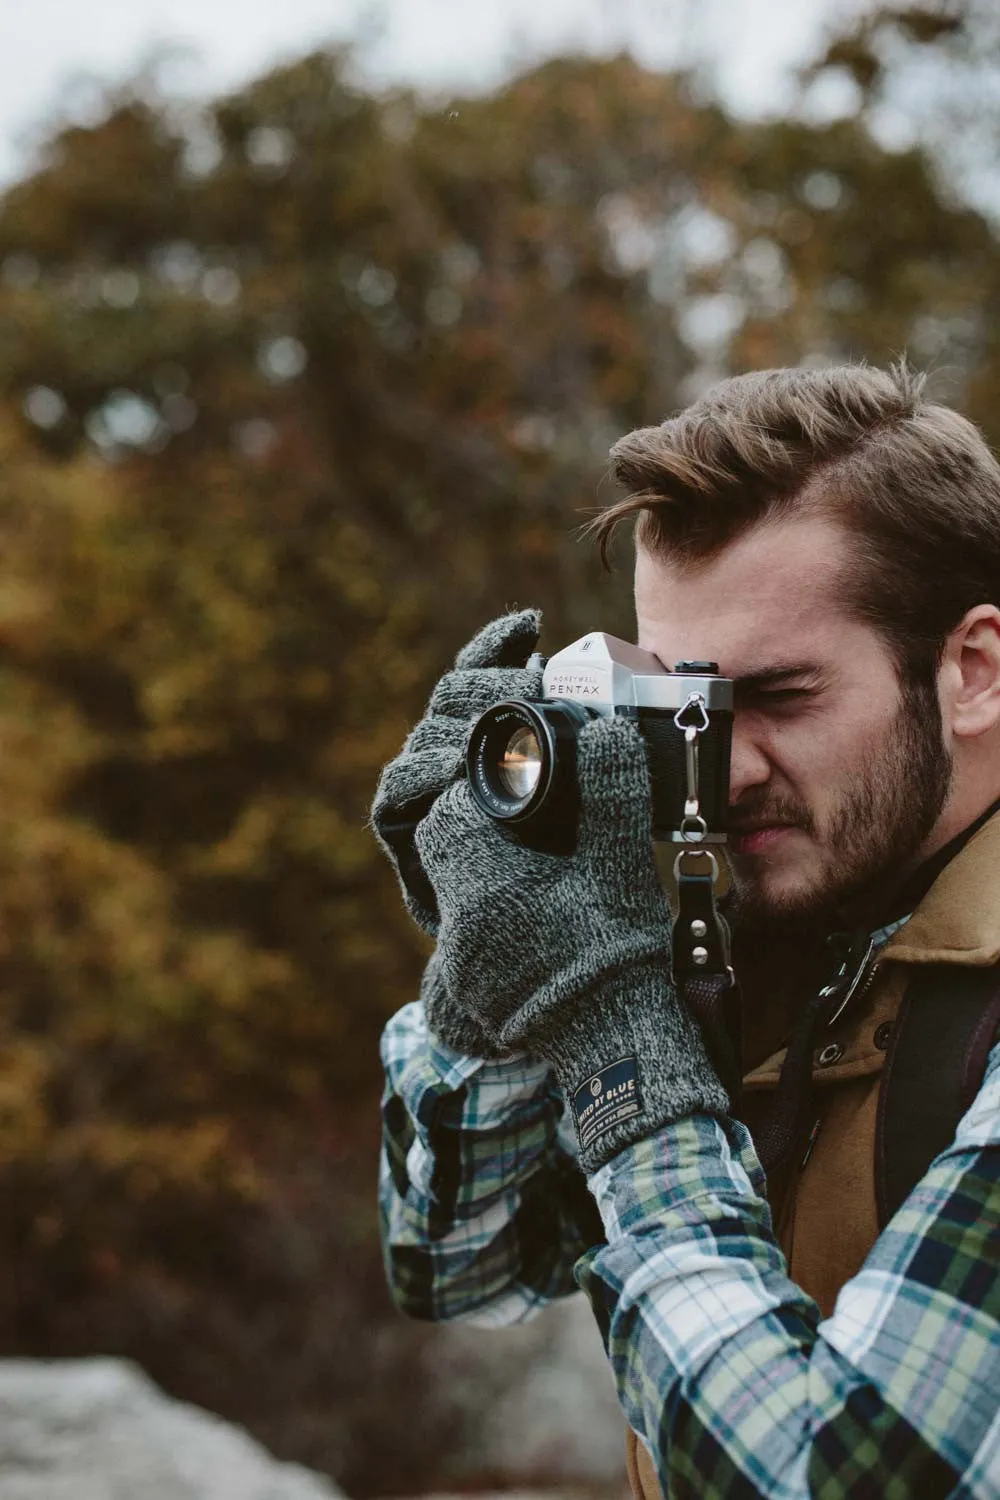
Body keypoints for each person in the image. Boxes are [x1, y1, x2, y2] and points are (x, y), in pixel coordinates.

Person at [372, 362, 1000, 1497]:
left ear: (973, 670)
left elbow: (839, 1477)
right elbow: (460, 1267)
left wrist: (620, 1046)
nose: (727, 767)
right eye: (688, 707)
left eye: (781, 697)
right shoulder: (772, 931)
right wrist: (486, 961)